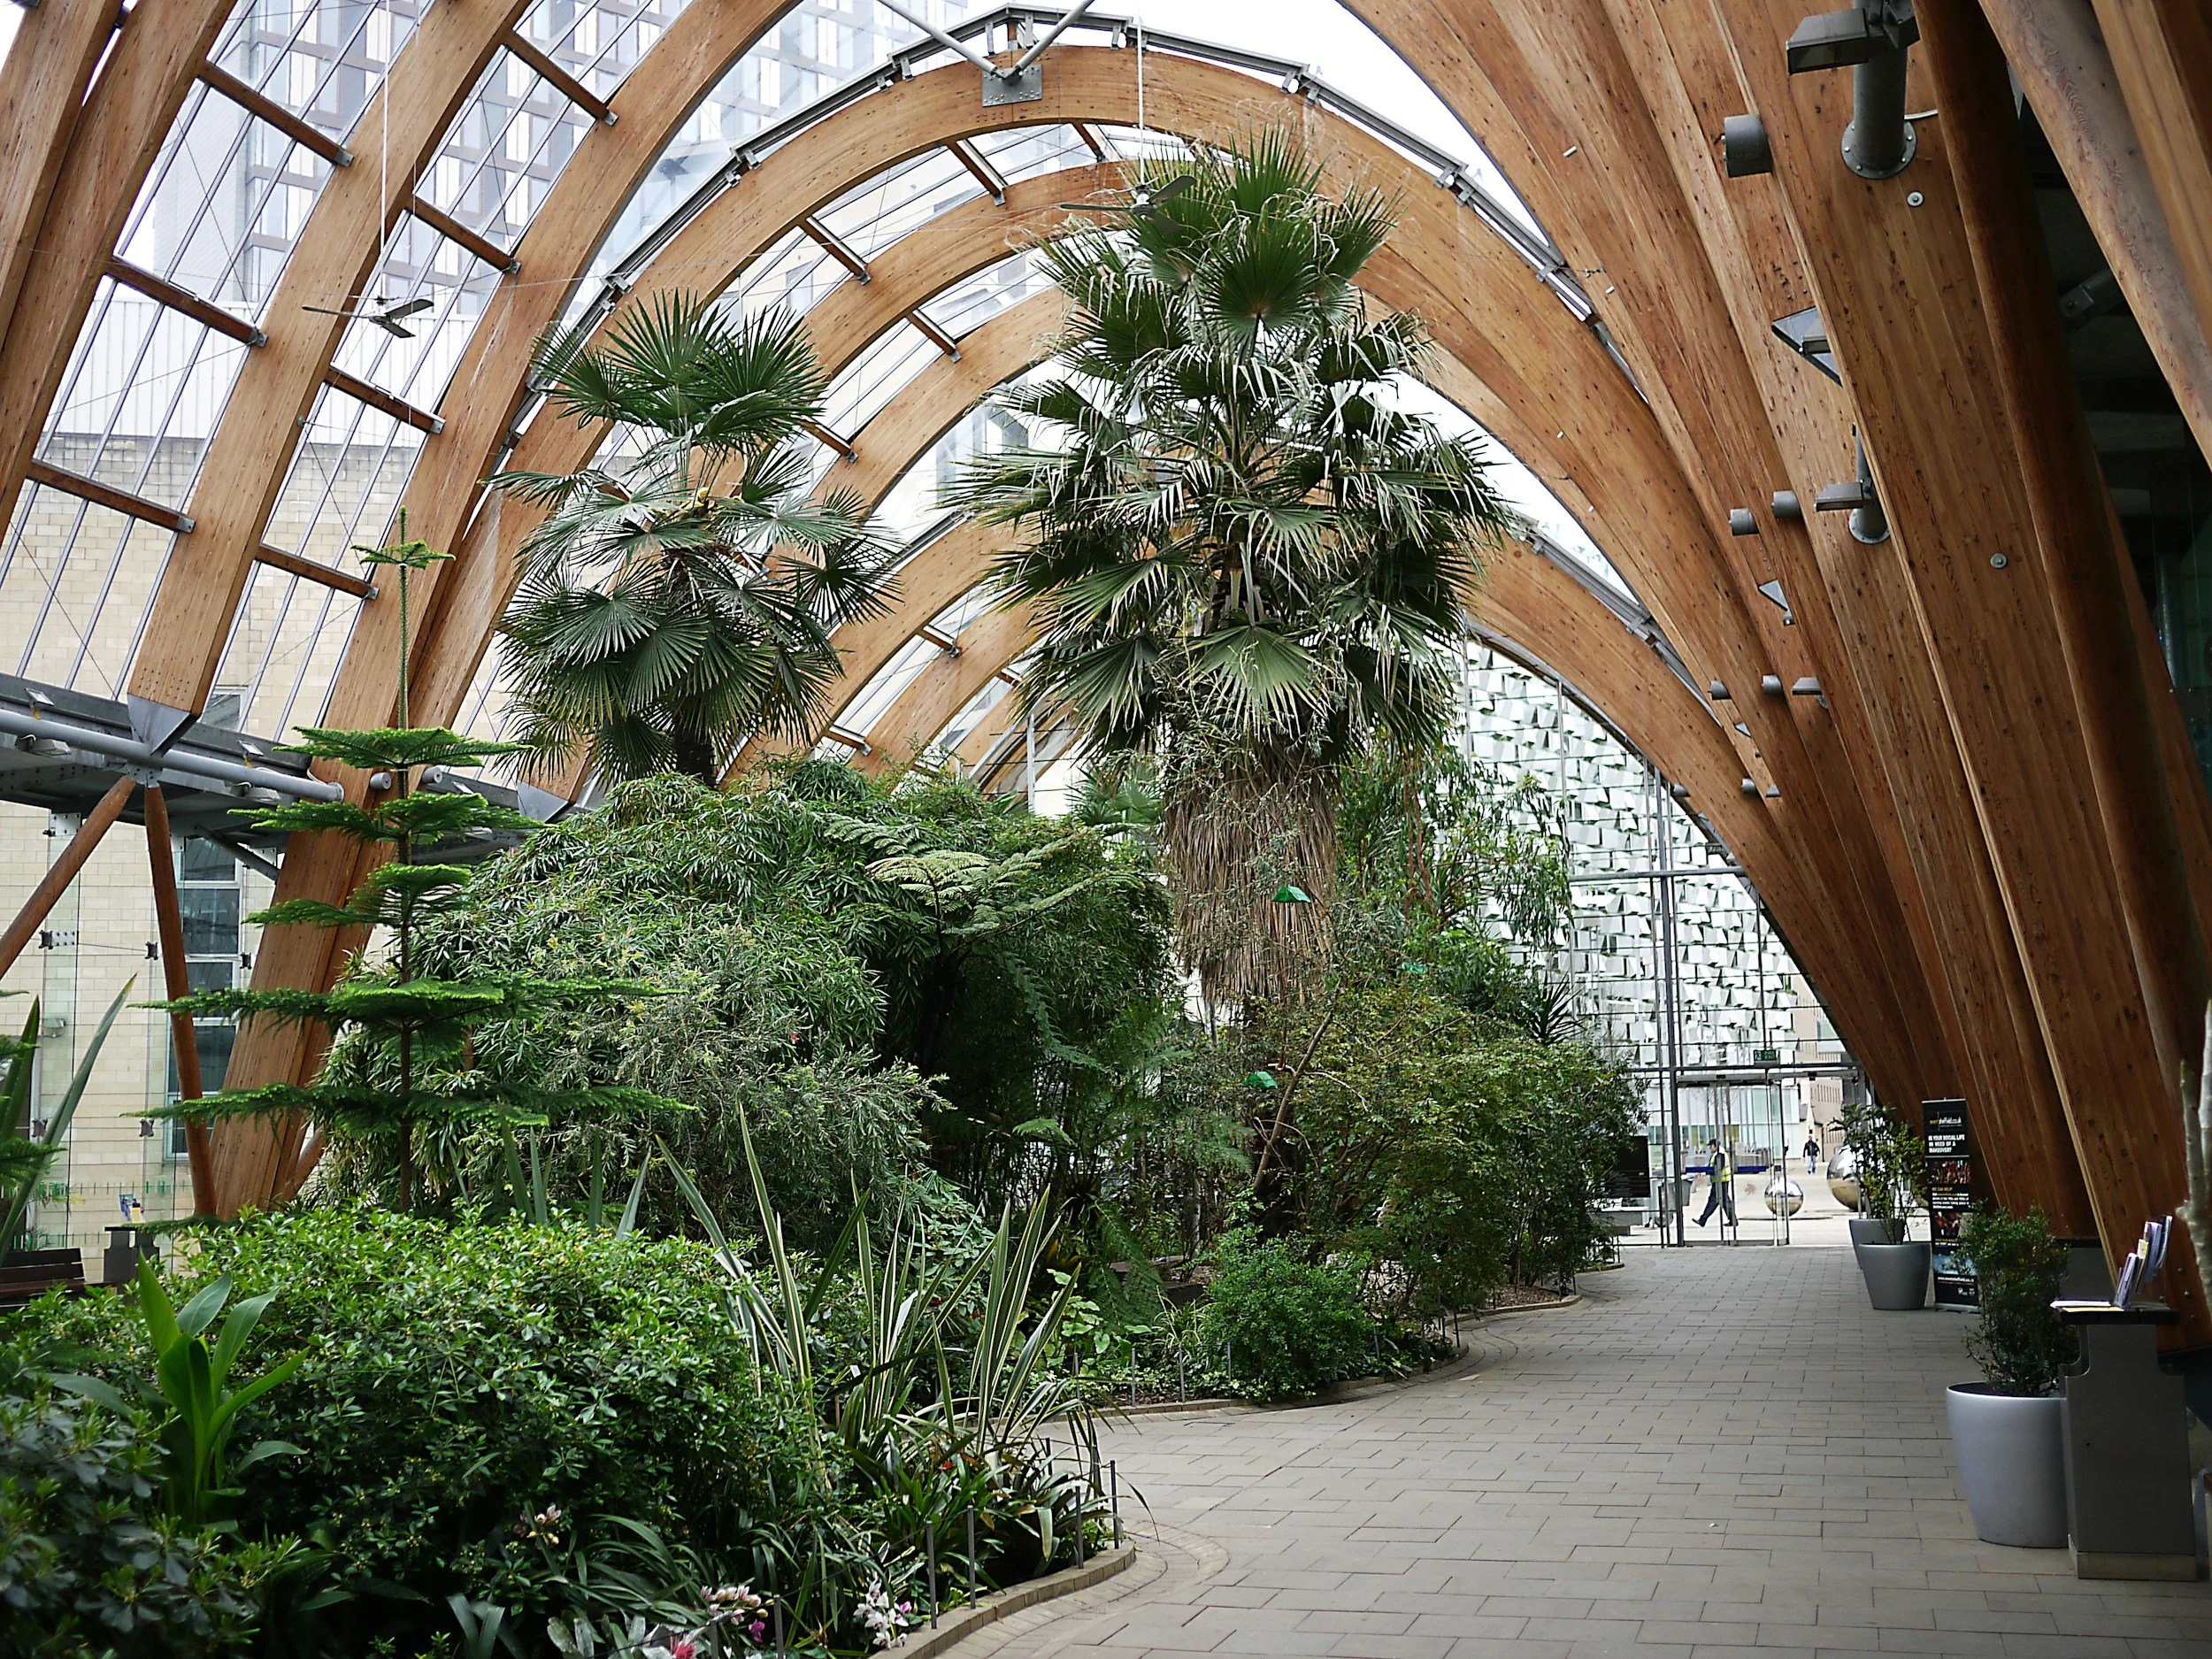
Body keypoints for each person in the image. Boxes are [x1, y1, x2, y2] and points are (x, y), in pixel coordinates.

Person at [1694, 1138, 1735, 1227]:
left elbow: (1717, 1169)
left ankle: (1703, 1220)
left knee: (1713, 1201)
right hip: (1721, 1181)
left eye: (1711, 1146)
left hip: (1720, 1182)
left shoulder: (1720, 1155)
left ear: (1715, 1146)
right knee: (1724, 1201)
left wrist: (1705, 1172)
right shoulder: (1719, 1154)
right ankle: (1733, 1220)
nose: (1710, 1148)